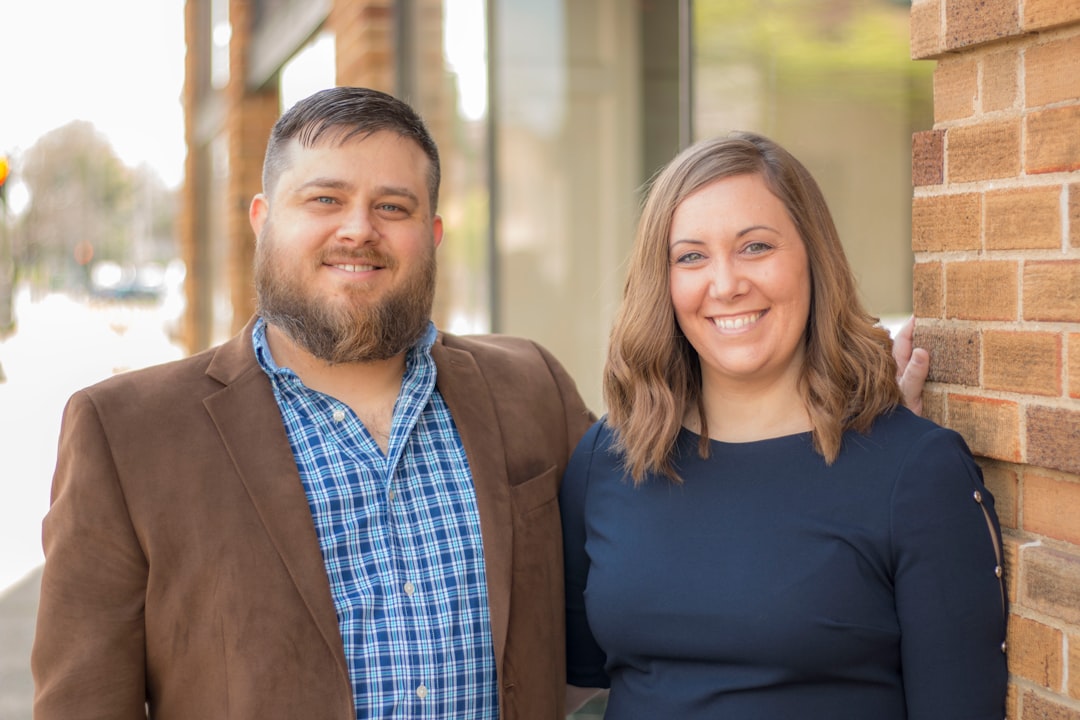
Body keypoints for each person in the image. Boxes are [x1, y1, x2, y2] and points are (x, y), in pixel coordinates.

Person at [31, 86, 595, 720]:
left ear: (432, 235)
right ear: (263, 220)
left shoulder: (532, 387)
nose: (359, 229)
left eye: (393, 206)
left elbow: (640, 596)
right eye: (326, 199)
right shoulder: (127, 435)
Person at [561, 132, 1006, 719]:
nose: (725, 284)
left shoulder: (917, 472)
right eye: (691, 256)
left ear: (813, 258)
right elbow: (578, 681)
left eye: (756, 247)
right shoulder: (609, 458)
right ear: (663, 283)